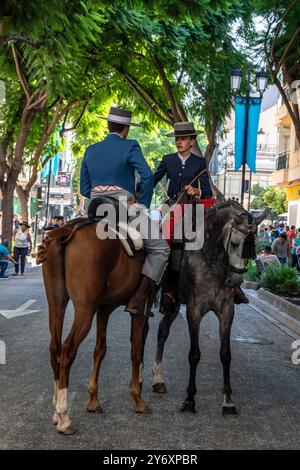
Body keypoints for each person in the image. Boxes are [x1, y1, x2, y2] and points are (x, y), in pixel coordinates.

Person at [80, 106, 170, 316]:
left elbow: (85, 188)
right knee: (161, 249)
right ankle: (138, 297)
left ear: (108, 125)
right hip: (123, 207)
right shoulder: (130, 146)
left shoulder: (91, 149)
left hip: (94, 208)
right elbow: (147, 176)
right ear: (126, 129)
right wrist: (141, 204)